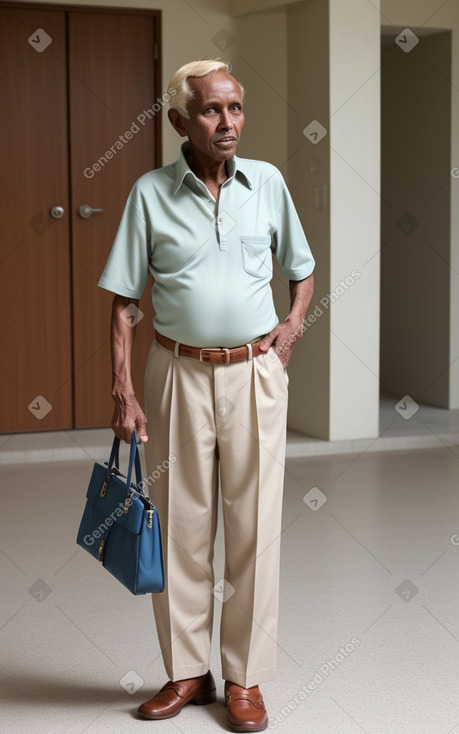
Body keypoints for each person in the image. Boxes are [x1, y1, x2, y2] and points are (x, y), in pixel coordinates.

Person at [98, 59, 315, 733]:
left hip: (253, 374)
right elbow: (123, 304)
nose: (228, 123)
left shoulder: (268, 184)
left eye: (235, 109)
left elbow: (302, 272)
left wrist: (291, 326)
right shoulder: (149, 194)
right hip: (177, 374)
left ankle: (244, 679)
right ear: (179, 122)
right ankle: (187, 674)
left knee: (254, 529)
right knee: (182, 530)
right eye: (212, 111)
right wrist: (123, 390)